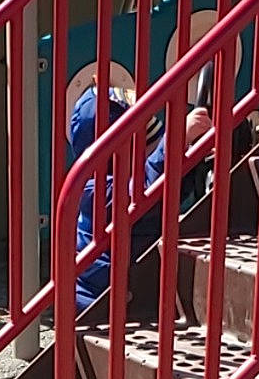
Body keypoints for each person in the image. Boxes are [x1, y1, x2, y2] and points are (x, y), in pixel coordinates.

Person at [70, 79, 213, 312]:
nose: (152, 152)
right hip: (101, 299)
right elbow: (142, 194)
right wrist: (175, 141)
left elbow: (167, 192)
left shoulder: (128, 174)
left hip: (128, 281)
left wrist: (192, 157)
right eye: (148, 146)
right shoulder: (92, 188)